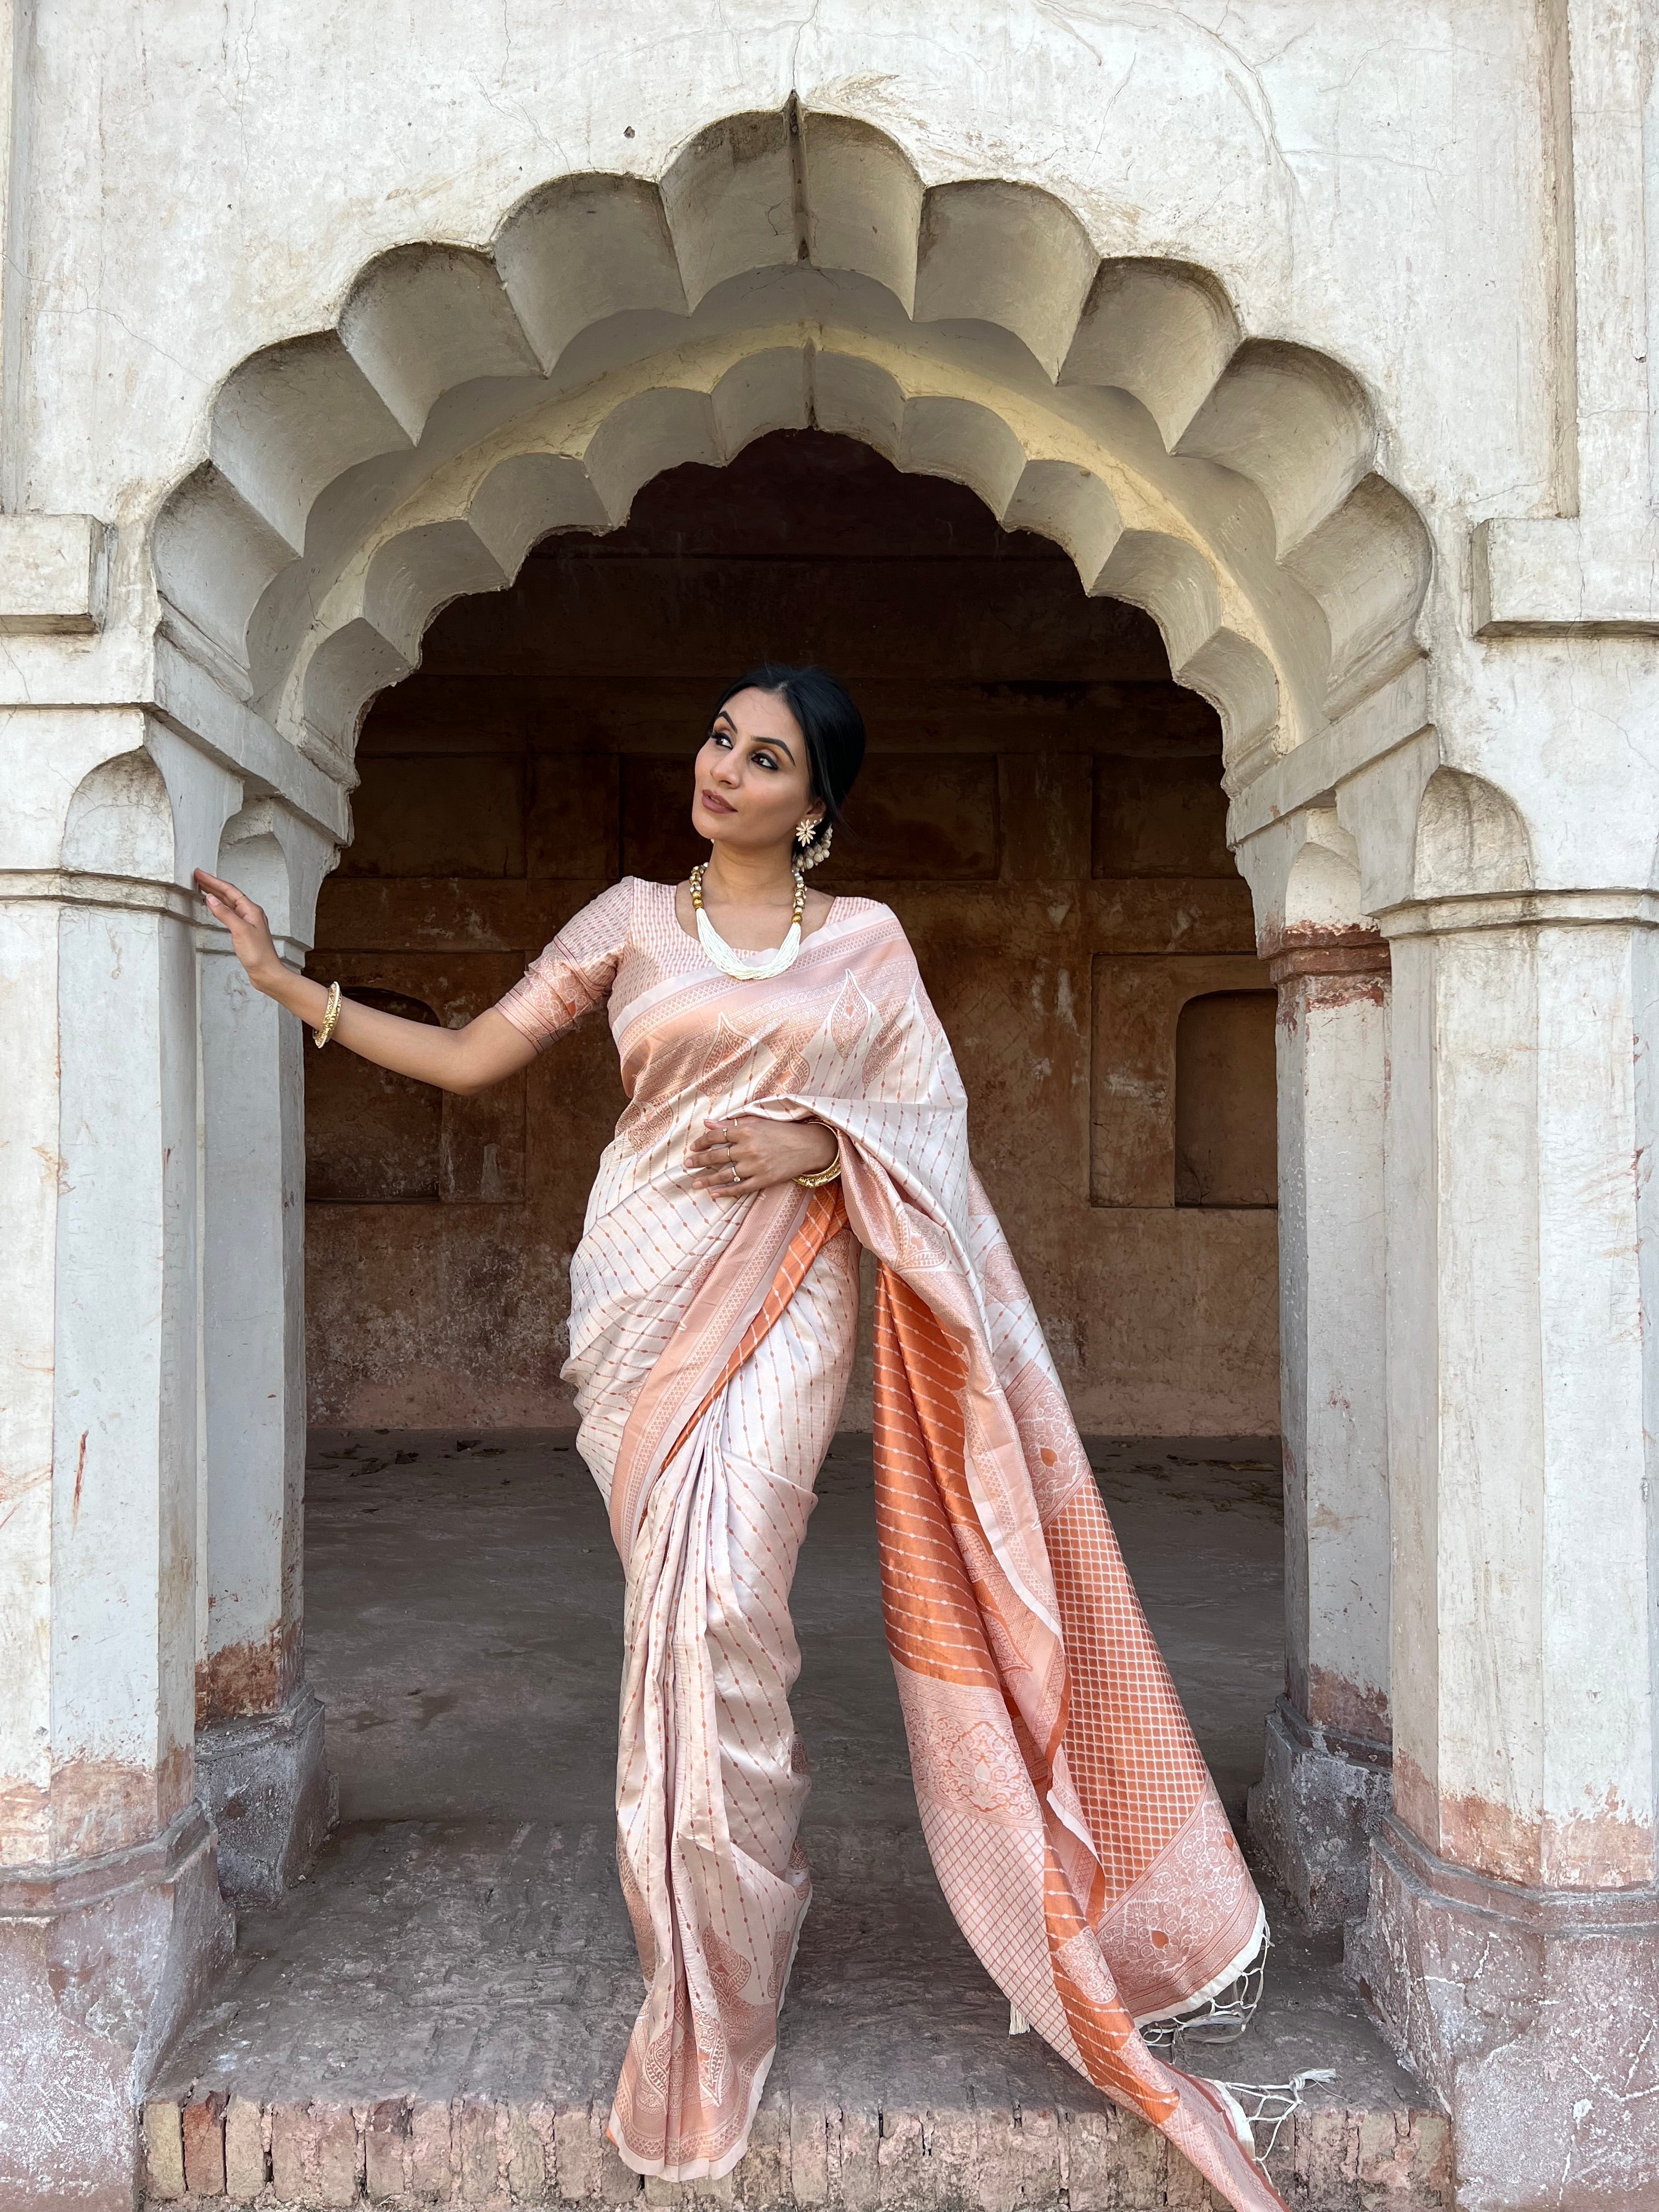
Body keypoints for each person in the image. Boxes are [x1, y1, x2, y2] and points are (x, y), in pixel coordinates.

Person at [196, 663, 1287, 2211]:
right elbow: (473, 1055)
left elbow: (933, 1126)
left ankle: (744, 1928)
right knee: (670, 1617)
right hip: (638, 1300)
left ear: (816, 805)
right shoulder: (630, 918)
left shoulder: (866, 944)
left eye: (764, 756)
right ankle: (701, 1960)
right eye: (719, 737)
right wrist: (288, 989)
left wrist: (820, 1141)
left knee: (729, 1613)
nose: (723, 767)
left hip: (786, 1298)